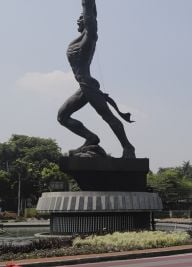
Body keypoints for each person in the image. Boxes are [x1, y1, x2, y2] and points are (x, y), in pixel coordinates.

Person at [57, 0, 136, 159]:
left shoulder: (89, 37)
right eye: (78, 19)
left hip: (89, 85)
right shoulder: (77, 41)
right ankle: (91, 138)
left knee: (107, 116)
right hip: (83, 86)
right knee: (62, 116)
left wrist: (86, 4)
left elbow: (90, 16)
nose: (79, 20)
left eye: (82, 18)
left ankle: (128, 147)